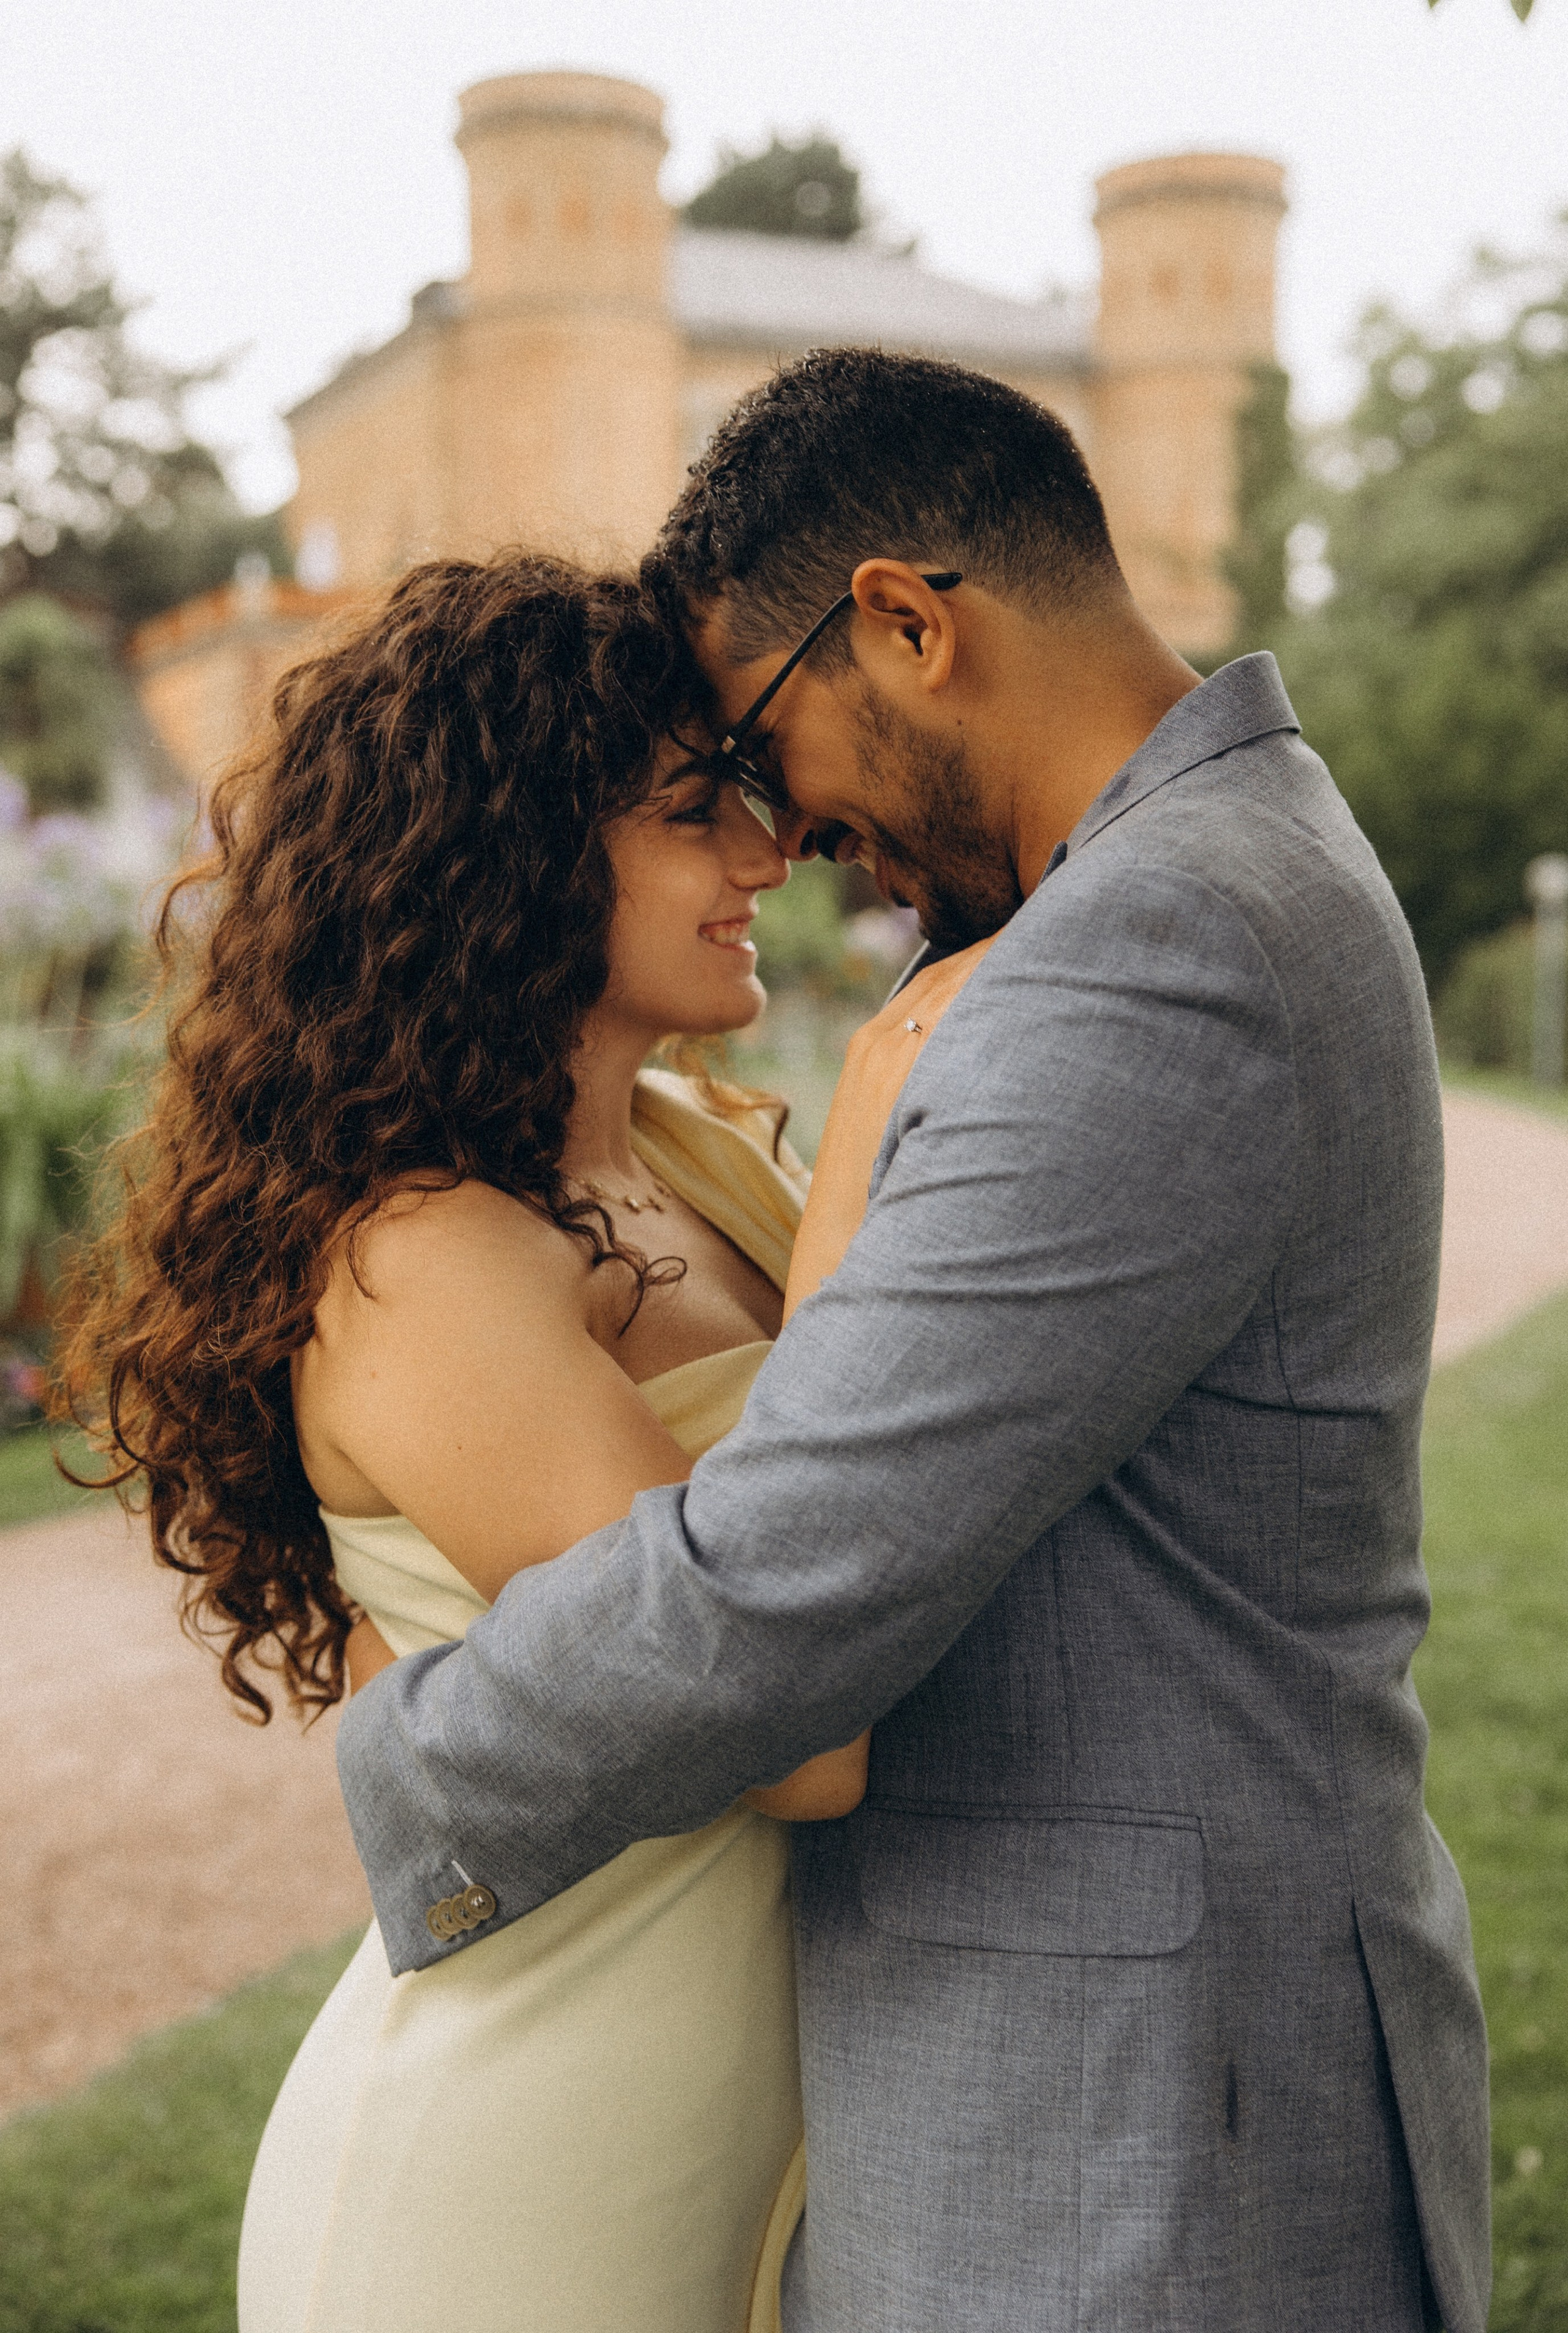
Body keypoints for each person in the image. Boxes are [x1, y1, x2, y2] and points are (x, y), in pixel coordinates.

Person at [335, 351, 1492, 2333]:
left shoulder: (1145, 948)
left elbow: (785, 1584)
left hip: (1128, 2150)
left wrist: (416, 1747)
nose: (794, 832)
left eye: (765, 752)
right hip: (1153, 2088)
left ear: (904, 623)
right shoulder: (1237, 863)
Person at [59, 552, 906, 2333]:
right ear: (507, 850)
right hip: (510, 2186)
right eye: (696, 813)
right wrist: (879, 1144)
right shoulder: (426, 1260)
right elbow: (801, 1730)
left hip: (742, 2149)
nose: (766, 859)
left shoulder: (682, 1147)